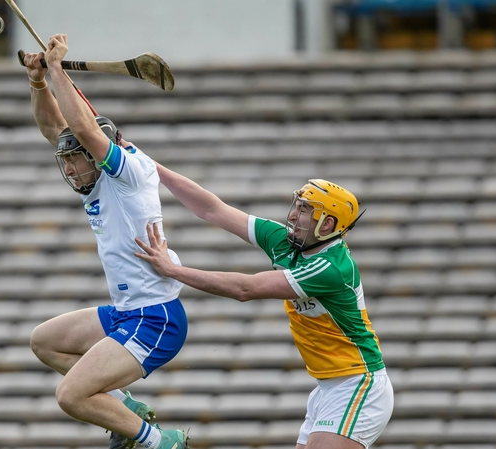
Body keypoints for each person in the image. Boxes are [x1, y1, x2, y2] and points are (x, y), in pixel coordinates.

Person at [134, 172, 394, 449]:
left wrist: (173, 270)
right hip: (327, 388)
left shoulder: (331, 268)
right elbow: (212, 209)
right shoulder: (287, 242)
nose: (292, 216)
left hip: (358, 384)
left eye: (305, 210)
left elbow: (245, 289)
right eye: (297, 205)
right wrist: (151, 167)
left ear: (327, 224)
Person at [22, 34, 189, 449]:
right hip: (125, 312)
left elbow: (80, 126)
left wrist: (57, 66)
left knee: (71, 396)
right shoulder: (97, 181)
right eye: (67, 162)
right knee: (45, 342)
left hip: (155, 318)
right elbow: (56, 128)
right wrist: (39, 82)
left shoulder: (128, 173)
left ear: (99, 153)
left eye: (77, 159)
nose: (72, 169)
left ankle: (161, 443)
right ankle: (125, 409)